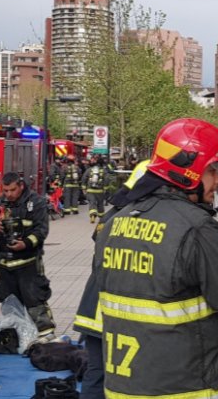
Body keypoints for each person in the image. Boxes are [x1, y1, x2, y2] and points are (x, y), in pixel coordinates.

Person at [93, 118, 218, 398]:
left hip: (123, 388)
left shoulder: (115, 223)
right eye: (213, 170)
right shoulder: (196, 227)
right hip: (187, 387)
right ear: (189, 173)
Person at [72, 158, 149, 399]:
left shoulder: (114, 215)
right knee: (112, 373)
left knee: (97, 370)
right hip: (114, 311)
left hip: (95, 306)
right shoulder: (137, 218)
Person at [0, 172, 56, 343]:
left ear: (21, 186)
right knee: (9, 301)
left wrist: (25, 244)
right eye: (5, 190)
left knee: (35, 298)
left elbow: (41, 230)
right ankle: (15, 336)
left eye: (12, 190)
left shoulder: (35, 202)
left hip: (28, 262)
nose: (8, 194)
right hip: (5, 262)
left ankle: (45, 333)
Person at [81, 156, 108, 224]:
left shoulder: (89, 170)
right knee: (100, 204)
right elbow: (107, 180)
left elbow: (84, 179)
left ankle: (92, 215)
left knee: (92, 203)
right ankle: (102, 218)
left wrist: (84, 188)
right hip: (100, 191)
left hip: (90, 190)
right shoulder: (104, 171)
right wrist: (105, 189)